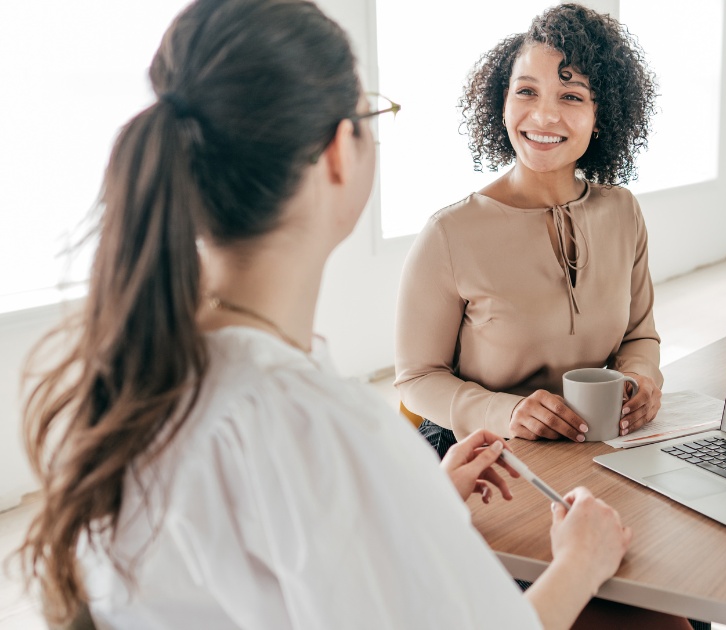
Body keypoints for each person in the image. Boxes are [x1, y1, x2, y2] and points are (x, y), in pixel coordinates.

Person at [17, 1, 656, 628]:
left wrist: (419, 501)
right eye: (369, 115)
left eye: (572, 96)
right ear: (336, 152)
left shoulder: (136, 375)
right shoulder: (322, 428)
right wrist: (581, 560)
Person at [395, 3, 663, 457]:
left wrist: (642, 380)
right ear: (502, 103)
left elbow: (639, 335)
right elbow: (417, 380)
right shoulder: (449, 233)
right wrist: (506, 412)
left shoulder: (622, 211)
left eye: (571, 96)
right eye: (526, 92)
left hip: (590, 446)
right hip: (478, 454)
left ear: (602, 116)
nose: (542, 116)